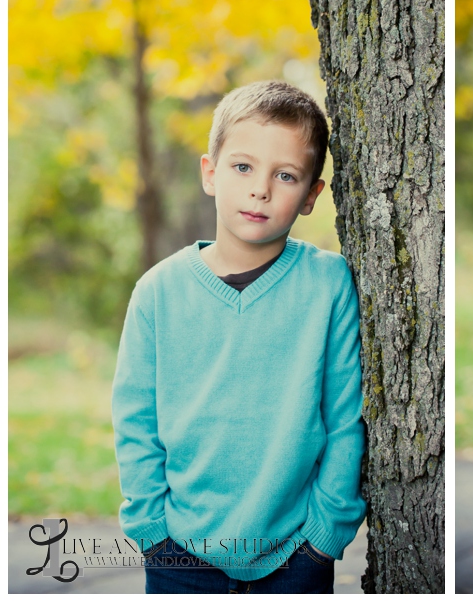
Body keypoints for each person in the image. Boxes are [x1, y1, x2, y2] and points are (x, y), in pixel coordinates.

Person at [111, 80, 366, 594]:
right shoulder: (158, 291)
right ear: (210, 173)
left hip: (297, 553)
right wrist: (152, 531)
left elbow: (345, 418)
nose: (261, 189)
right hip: (178, 551)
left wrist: (324, 537)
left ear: (313, 195)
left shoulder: (329, 285)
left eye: (286, 175)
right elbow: (135, 418)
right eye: (243, 167)